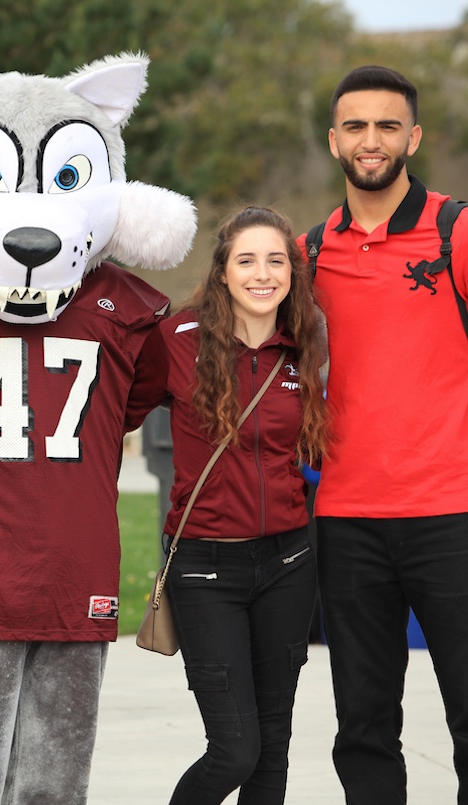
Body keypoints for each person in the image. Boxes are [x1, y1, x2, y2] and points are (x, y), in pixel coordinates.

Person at [301, 65, 468, 805]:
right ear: (335, 140)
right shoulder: (306, 255)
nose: (373, 141)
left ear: (414, 137)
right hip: (347, 520)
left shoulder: (456, 232)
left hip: (453, 514)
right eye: (358, 127)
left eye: (389, 126)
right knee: (363, 723)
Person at [156, 206, 327, 804]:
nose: (262, 274)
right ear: (223, 271)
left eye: (276, 260)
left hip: (289, 564)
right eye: (246, 260)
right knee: (234, 748)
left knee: (271, 747)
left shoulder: (303, 347)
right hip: (205, 569)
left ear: (292, 273)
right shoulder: (175, 342)